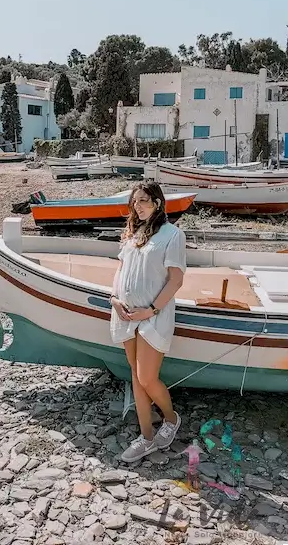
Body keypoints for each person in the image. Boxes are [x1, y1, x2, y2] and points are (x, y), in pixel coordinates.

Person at [110, 180, 186, 463]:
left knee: (146, 377)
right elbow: (120, 270)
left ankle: (171, 418)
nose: (137, 206)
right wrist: (114, 298)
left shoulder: (172, 235)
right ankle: (147, 437)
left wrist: (151, 309)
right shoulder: (132, 233)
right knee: (136, 378)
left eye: (143, 200)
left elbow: (176, 280)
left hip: (153, 315)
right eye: (135, 201)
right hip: (127, 312)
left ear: (157, 202)